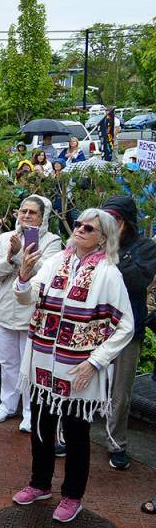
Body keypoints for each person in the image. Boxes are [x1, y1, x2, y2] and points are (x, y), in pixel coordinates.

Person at [11, 209, 134, 522]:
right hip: (41, 363)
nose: (79, 229)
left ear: (103, 238)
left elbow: (126, 326)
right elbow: (30, 297)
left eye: (88, 227)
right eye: (78, 224)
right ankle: (40, 483)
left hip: (78, 369)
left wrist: (95, 362)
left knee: (77, 434)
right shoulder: (57, 261)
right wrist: (23, 279)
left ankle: (72, 495)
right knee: (41, 426)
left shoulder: (109, 273)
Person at [0, 195, 62, 430]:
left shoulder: (52, 241)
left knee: (29, 365)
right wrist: (10, 257)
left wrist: (19, 255)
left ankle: (29, 411)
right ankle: (7, 404)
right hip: (5, 309)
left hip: (33, 312)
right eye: (23, 211)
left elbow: (46, 273)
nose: (26, 216)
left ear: (43, 216)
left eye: (33, 213)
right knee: (7, 361)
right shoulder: (6, 237)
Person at [101, 197, 156, 470]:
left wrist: (110, 255)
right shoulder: (94, 239)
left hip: (128, 329)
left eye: (115, 220)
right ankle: (67, 434)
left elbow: (135, 279)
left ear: (126, 222)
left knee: (120, 393)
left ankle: (117, 443)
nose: (109, 225)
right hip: (94, 327)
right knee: (81, 382)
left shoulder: (145, 248)